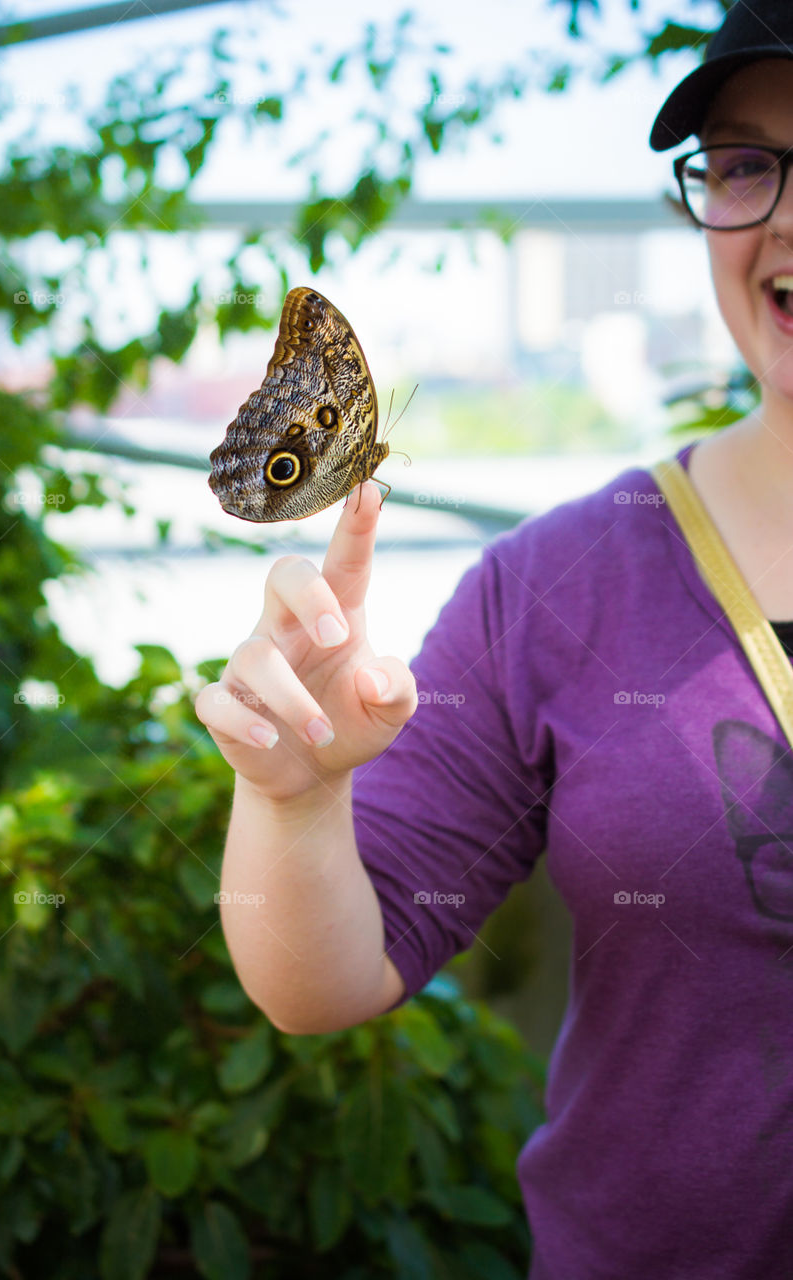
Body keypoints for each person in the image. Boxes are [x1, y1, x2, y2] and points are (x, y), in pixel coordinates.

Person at [195, 1, 793, 1274]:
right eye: (746, 163)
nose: (782, 214)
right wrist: (294, 794)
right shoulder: (562, 581)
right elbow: (324, 980)